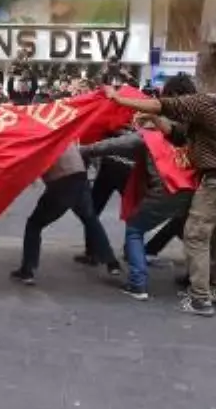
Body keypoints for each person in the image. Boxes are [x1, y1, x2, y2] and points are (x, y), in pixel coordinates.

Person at [104, 78, 216, 316]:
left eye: (169, 96)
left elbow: (156, 105)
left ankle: (200, 299)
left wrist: (117, 98)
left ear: (178, 96)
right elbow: (175, 132)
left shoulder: (197, 105)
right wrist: (154, 120)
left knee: (196, 234)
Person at [79, 112, 194, 298]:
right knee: (195, 237)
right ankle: (202, 283)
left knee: (134, 230)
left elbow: (111, 146)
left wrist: (81, 150)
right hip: (190, 191)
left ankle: (137, 283)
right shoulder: (183, 136)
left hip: (165, 189)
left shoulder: (147, 137)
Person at [12, 142, 120, 285]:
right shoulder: (62, 134)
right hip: (80, 178)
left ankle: (27, 270)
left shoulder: (40, 139)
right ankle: (112, 263)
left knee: (34, 224)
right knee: (90, 219)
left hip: (61, 183)